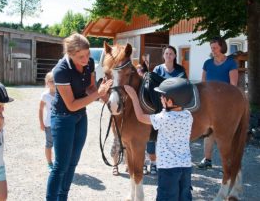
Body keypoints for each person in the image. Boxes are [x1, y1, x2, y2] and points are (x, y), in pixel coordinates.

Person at [46, 33, 113, 200]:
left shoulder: (89, 63)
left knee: (72, 164)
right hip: (63, 117)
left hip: (80, 117)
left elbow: (90, 88)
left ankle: (63, 198)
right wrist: (98, 94)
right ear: (70, 54)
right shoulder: (61, 70)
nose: (86, 59)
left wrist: (104, 96)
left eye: (88, 54)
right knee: (60, 166)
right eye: (81, 56)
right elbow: (72, 104)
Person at [124, 77, 193, 201]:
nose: (160, 98)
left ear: (170, 102)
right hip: (186, 166)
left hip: (168, 168)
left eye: (162, 96)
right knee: (184, 197)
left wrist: (134, 97)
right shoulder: (188, 115)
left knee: (166, 197)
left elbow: (140, 117)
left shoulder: (164, 118)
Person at [145, 45, 188, 175]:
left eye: (171, 54)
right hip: (159, 105)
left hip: (176, 107)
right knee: (152, 132)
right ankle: (153, 162)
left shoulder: (180, 69)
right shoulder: (158, 69)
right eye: (167, 53)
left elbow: (184, 85)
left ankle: (171, 161)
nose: (169, 56)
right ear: (163, 55)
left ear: (175, 56)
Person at [198, 37, 238, 169]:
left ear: (222, 47)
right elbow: (203, 83)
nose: (213, 50)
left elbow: (233, 86)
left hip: (224, 104)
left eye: (215, 47)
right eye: (211, 48)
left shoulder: (231, 63)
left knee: (225, 134)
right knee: (208, 131)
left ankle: (228, 163)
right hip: (208, 105)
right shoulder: (207, 63)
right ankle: (207, 159)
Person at [39, 71, 56, 172]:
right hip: (49, 124)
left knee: (60, 144)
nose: (54, 83)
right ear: (47, 82)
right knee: (49, 144)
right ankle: (49, 163)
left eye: (56, 81)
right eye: (51, 81)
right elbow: (40, 109)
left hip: (59, 124)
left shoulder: (61, 93)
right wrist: (41, 123)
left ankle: (59, 162)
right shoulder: (45, 95)